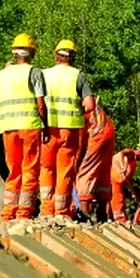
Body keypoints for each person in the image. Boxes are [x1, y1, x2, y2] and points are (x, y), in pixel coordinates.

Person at [39, 39, 96, 218]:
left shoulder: (42, 74)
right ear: (73, 57)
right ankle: (62, 212)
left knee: (46, 169)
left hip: (47, 130)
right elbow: (90, 105)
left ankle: (46, 210)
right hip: (69, 131)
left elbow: (38, 103)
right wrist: (77, 109)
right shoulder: (78, 76)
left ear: (55, 55)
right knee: (64, 170)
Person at [0, 33, 48, 221]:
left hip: (8, 128)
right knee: (29, 169)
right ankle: (23, 212)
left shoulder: (2, 74)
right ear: (32, 53)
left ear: (14, 54)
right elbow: (41, 103)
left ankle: (7, 212)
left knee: (13, 170)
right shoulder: (34, 72)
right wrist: (46, 125)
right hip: (30, 127)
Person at [74, 105, 115, 222]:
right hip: (108, 131)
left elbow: (81, 142)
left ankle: (84, 214)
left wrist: (77, 165)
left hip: (97, 136)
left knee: (85, 173)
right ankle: (102, 214)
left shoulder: (76, 108)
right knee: (102, 172)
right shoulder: (89, 102)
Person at [110, 141, 140, 223]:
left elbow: (129, 180)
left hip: (118, 182)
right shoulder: (131, 153)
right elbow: (121, 153)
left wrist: (132, 192)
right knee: (118, 200)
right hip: (112, 177)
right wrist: (122, 167)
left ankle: (111, 218)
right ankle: (120, 220)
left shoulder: (134, 164)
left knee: (115, 200)